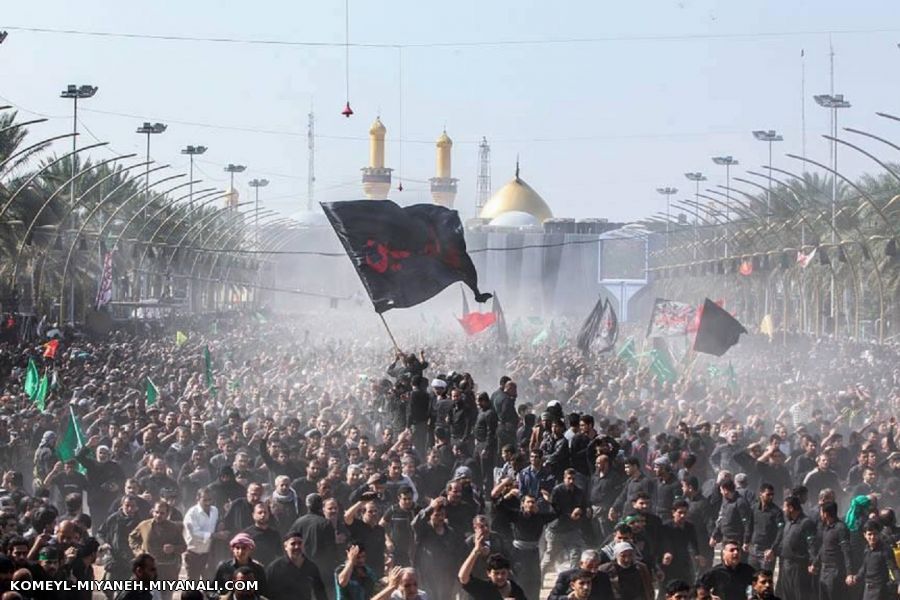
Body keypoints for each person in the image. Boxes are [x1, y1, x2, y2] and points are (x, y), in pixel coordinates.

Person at [128, 501, 186, 600]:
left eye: (162, 513)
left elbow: (183, 546)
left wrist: (173, 548)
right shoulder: (144, 525)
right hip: (148, 569)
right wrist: (138, 551)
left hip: (167, 569)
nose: (159, 515)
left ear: (168, 514)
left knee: (166, 596)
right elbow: (132, 538)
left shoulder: (174, 527)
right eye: (156, 512)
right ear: (153, 512)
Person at [458, 534, 527, 600]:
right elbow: (463, 578)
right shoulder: (484, 588)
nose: (500, 577)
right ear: (489, 573)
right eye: (496, 573)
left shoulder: (515, 589)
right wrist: (475, 551)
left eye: (503, 573)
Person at [773, 495, 816, 600]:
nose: (783, 510)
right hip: (786, 565)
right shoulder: (789, 523)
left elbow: (812, 546)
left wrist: (813, 563)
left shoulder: (806, 523)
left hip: (799, 567)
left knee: (799, 595)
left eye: (785, 507)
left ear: (791, 508)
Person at [845, 520, 900, 600]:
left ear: (879, 534)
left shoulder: (885, 550)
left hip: (880, 590)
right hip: (868, 589)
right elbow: (864, 567)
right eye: (869, 534)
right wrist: (856, 578)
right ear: (864, 535)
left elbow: (893, 567)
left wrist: (899, 582)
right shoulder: (867, 549)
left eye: (875, 534)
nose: (872, 537)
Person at [265, 531, 328, 600]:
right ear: (285, 547)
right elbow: (267, 593)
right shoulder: (275, 568)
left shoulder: (311, 567)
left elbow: (320, 593)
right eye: (293, 544)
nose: (297, 547)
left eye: (300, 543)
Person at [813, 500, 852, 600]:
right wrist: (815, 563)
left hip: (835, 572)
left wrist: (849, 573)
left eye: (821, 512)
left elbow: (846, 551)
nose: (820, 514)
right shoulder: (826, 528)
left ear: (826, 514)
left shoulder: (840, 528)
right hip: (824, 570)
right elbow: (824, 547)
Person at [546, 550, 613, 600]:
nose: (593, 570)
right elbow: (551, 598)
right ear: (581, 563)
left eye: (596, 566)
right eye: (589, 566)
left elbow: (610, 597)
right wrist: (567, 598)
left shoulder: (603, 577)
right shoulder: (566, 576)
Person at [183, 487, 219, 580]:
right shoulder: (192, 513)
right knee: (192, 584)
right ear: (198, 499)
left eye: (210, 499)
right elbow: (195, 533)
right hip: (193, 554)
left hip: (208, 554)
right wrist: (213, 535)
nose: (208, 502)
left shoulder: (214, 510)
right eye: (205, 500)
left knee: (209, 583)